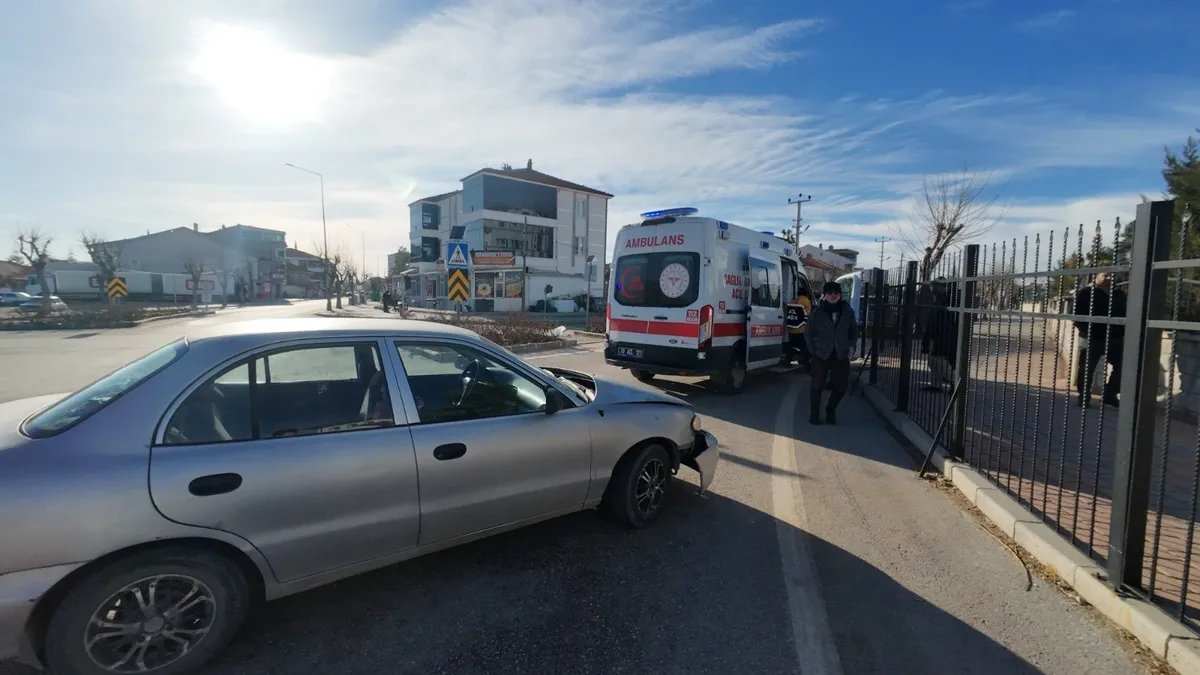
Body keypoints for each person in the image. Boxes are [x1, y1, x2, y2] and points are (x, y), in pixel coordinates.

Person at [804, 281, 860, 425]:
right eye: (830, 293)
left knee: (841, 387)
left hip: (840, 354)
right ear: (825, 295)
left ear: (840, 294)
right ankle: (814, 414)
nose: (833, 296)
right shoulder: (817, 312)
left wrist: (850, 345)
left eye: (836, 293)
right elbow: (808, 334)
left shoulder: (847, 312)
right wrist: (813, 351)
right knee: (816, 386)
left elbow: (854, 331)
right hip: (821, 354)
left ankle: (830, 409)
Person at [1073, 272, 1125, 407]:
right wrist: (1086, 331)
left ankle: (1110, 394)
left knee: (1124, 366)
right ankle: (1083, 397)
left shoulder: (1120, 294)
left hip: (1115, 338)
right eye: (1105, 275)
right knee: (1086, 369)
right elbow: (1078, 315)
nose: (1109, 277)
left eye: (1112, 275)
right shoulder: (1086, 293)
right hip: (1092, 338)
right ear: (1096, 276)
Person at [920, 278, 959, 392]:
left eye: (936, 286)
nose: (933, 288)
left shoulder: (948, 300)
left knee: (939, 360)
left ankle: (955, 382)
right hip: (934, 333)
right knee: (932, 360)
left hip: (942, 334)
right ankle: (936, 384)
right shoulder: (938, 300)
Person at [785, 287, 813, 367]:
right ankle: (805, 361)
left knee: (794, 344)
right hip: (801, 329)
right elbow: (808, 315)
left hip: (790, 329)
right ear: (806, 294)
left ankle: (789, 358)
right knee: (806, 346)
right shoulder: (806, 301)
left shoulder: (793, 301)